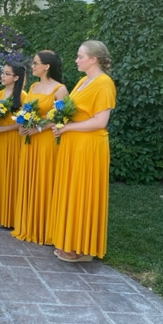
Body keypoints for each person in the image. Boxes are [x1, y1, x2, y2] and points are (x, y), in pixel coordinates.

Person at [50, 41, 116, 262]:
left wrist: (67, 128)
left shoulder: (104, 83)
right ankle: (70, 239)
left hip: (89, 146)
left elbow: (100, 121)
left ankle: (80, 246)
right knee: (71, 191)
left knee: (82, 192)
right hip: (73, 144)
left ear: (93, 59)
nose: (76, 60)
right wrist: (60, 122)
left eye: (80, 56)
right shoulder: (82, 81)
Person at [11, 51, 68, 245]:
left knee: (44, 179)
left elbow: (61, 118)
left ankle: (45, 229)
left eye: (36, 63)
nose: (32, 66)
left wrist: (38, 129)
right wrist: (22, 124)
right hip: (29, 141)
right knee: (29, 178)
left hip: (46, 141)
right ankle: (28, 225)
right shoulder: (33, 86)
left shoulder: (60, 89)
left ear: (47, 66)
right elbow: (26, 111)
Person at [0, 62, 27, 228]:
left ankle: (9, 217)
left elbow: (23, 122)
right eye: (2, 72)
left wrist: (2, 129)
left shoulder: (23, 96)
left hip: (13, 139)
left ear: (16, 77)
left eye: (7, 73)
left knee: (11, 175)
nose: (2, 76)